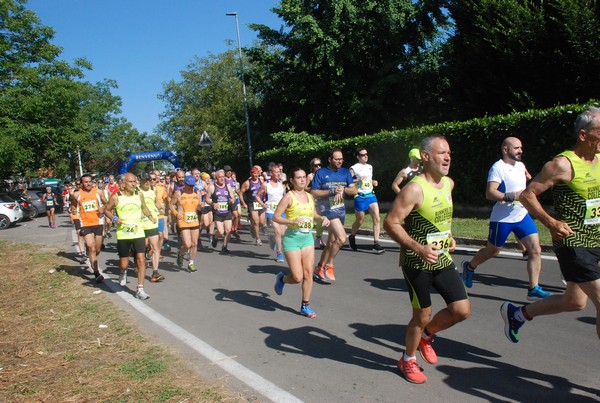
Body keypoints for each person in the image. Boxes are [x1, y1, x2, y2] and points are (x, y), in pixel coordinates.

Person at [501, 107, 600, 343]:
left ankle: (519, 314)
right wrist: (551, 222)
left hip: (596, 240)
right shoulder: (563, 164)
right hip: (573, 242)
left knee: (574, 302)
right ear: (583, 135)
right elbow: (527, 195)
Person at [383, 136, 470, 384]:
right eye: (441, 152)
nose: (447, 157)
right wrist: (418, 247)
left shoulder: (449, 184)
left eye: (449, 153)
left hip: (441, 258)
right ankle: (408, 359)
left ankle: (427, 335)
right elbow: (391, 223)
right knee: (421, 315)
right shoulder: (414, 189)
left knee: (461, 310)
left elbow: (442, 218)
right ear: (425, 156)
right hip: (416, 261)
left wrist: (449, 237)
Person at [461, 137, 552, 301]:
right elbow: (490, 193)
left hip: (521, 215)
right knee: (493, 251)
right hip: (502, 218)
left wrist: (527, 175)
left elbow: (522, 178)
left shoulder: (521, 165)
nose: (520, 150)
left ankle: (533, 288)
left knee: (535, 249)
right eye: (516, 148)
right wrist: (512, 196)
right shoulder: (497, 168)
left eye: (521, 147)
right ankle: (469, 267)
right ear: (505, 149)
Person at [273, 168, 330, 318]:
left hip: (307, 239)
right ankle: (282, 279)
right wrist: (291, 221)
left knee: (308, 274)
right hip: (292, 240)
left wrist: (322, 218)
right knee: (297, 277)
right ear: (292, 180)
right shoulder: (288, 197)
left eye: (304, 177)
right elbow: (276, 217)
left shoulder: (310, 197)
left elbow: (314, 215)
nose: (302, 180)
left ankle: (305, 305)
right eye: (298, 177)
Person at [103, 172, 155, 300]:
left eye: (134, 181)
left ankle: (140, 289)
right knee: (124, 263)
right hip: (124, 233)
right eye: (130, 182)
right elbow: (106, 210)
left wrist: (151, 217)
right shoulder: (116, 197)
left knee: (141, 259)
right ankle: (122, 272)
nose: (133, 184)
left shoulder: (139, 194)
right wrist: (115, 218)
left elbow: (144, 207)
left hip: (138, 231)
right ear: (123, 183)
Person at [311, 148, 357, 282]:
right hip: (326, 209)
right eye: (336, 159)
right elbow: (314, 192)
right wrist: (332, 191)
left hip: (339, 209)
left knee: (331, 243)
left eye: (341, 159)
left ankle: (319, 268)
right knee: (342, 238)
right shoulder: (321, 173)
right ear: (330, 159)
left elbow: (354, 190)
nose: (339, 161)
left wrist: (344, 189)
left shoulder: (345, 172)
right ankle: (329, 265)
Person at [348, 147, 384, 253]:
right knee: (360, 220)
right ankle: (352, 236)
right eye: (363, 155)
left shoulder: (370, 167)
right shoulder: (354, 168)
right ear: (358, 157)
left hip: (371, 195)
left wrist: (373, 182)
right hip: (360, 196)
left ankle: (376, 243)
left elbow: (368, 180)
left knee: (377, 218)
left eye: (366, 154)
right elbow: (347, 181)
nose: (366, 156)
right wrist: (356, 180)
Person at [74, 173, 108, 283]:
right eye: (86, 182)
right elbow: (73, 206)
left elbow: (107, 204)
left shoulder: (98, 192)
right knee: (91, 248)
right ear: (82, 183)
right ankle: (96, 273)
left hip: (98, 222)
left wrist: (103, 208)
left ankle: (92, 257)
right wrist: (72, 209)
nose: (88, 184)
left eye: (90, 182)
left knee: (97, 249)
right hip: (85, 224)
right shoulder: (77, 194)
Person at [170, 174, 203, 271]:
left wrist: (201, 207)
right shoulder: (179, 193)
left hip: (194, 220)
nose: (191, 187)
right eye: (189, 185)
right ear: (185, 183)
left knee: (195, 243)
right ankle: (181, 253)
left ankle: (191, 263)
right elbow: (171, 204)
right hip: (183, 221)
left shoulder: (197, 193)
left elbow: (199, 206)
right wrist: (176, 213)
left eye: (192, 185)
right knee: (187, 244)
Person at [256, 165, 287, 262]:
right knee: (277, 231)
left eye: (279, 172)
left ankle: (273, 239)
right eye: (276, 172)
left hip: (281, 211)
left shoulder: (282, 184)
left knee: (282, 233)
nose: (278, 174)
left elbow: (285, 197)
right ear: (271, 173)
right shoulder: (266, 184)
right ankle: (279, 253)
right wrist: (262, 204)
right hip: (270, 211)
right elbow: (257, 196)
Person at [139, 171, 165, 282]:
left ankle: (155, 272)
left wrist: (160, 208)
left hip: (152, 222)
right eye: (144, 180)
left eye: (148, 180)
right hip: (140, 223)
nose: (147, 182)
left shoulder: (153, 190)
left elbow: (155, 202)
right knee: (142, 247)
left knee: (155, 247)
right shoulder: (136, 191)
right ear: (140, 180)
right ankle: (139, 264)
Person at [210, 169, 236, 254]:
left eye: (223, 177)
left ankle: (224, 247)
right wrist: (212, 203)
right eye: (220, 177)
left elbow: (233, 197)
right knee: (221, 231)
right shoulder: (212, 187)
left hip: (227, 211)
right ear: (216, 178)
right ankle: (215, 238)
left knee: (228, 230)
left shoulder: (227, 186)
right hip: (218, 213)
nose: (222, 179)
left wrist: (232, 200)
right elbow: (207, 199)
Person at [239, 167, 266, 245]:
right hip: (252, 203)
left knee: (262, 222)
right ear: (251, 174)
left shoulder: (261, 181)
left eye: (257, 173)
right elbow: (241, 193)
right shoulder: (247, 183)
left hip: (260, 203)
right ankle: (258, 239)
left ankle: (252, 227)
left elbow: (265, 190)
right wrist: (243, 203)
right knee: (256, 222)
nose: (256, 175)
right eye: (254, 173)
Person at [307, 158, 325, 249]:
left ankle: (319, 237)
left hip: (322, 199)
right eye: (316, 165)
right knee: (314, 219)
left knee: (321, 219)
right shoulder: (310, 176)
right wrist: (312, 190)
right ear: (312, 167)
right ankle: (312, 239)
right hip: (313, 199)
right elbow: (304, 187)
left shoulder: (324, 175)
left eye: (319, 165)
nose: (318, 167)